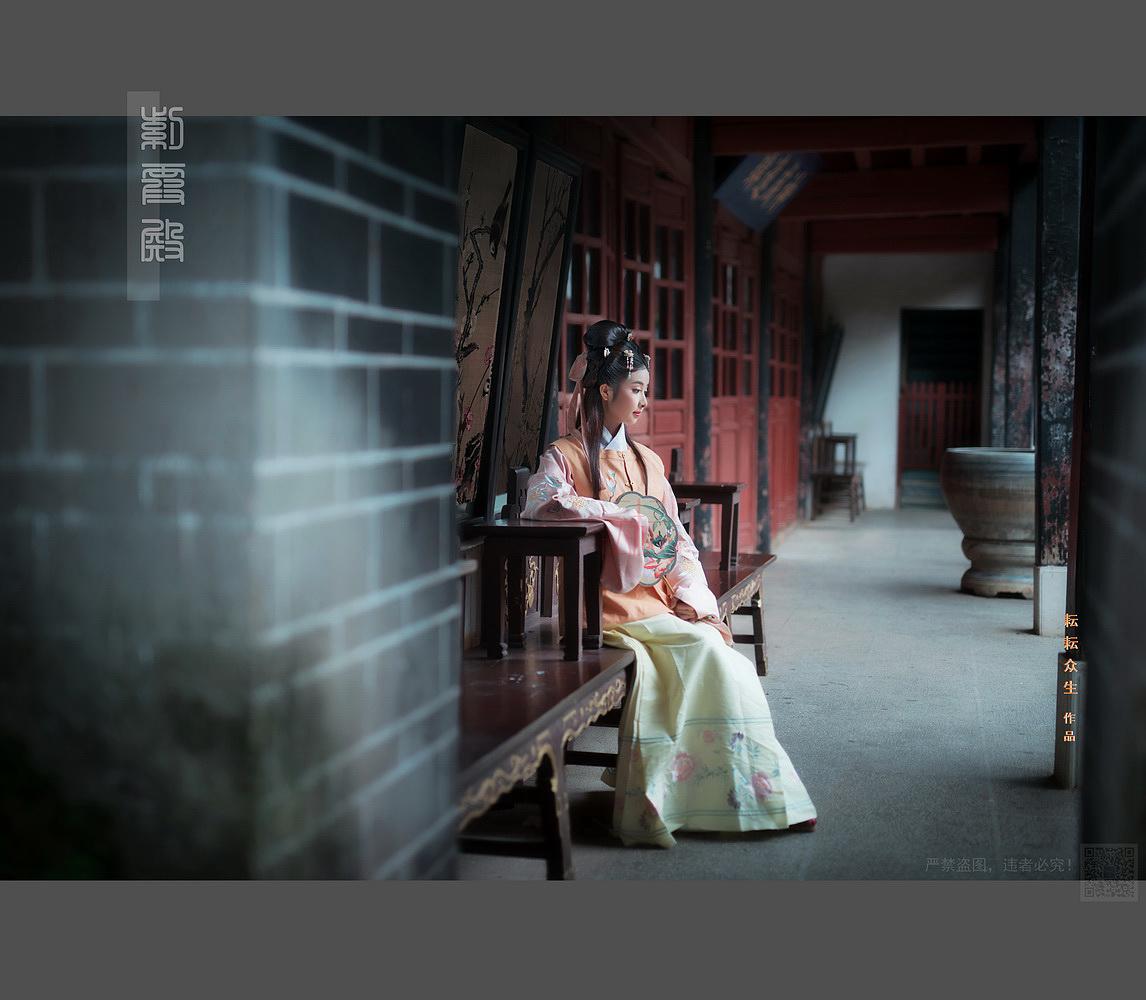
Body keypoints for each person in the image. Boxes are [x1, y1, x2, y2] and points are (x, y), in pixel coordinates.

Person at [523, 319, 818, 848]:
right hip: (604, 606)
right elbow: (543, 504)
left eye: (646, 391)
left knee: (725, 658)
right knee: (709, 656)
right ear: (606, 391)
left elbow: (678, 541)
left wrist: (693, 598)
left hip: (656, 601)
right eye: (636, 390)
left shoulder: (648, 460)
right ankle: (704, 796)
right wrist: (618, 515)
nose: (643, 402)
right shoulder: (564, 455)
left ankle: (747, 794)